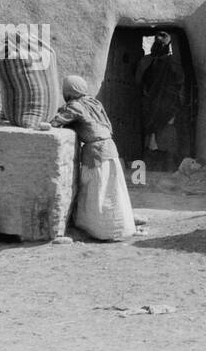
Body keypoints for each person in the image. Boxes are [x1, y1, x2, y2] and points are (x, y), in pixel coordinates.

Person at [42, 75, 136, 242]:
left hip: (96, 151)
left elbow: (56, 121)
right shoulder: (94, 102)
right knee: (112, 191)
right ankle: (118, 227)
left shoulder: (75, 106)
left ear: (69, 91)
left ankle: (101, 231)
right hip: (109, 147)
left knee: (97, 191)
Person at [138, 31, 185, 170]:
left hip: (151, 104)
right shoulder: (173, 63)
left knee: (151, 135)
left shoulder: (145, 61)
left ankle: (149, 170)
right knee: (168, 134)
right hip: (168, 105)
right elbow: (181, 80)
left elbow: (138, 81)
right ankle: (169, 170)